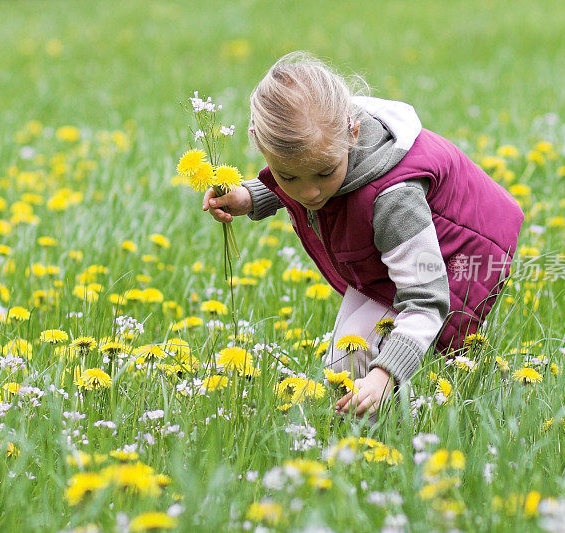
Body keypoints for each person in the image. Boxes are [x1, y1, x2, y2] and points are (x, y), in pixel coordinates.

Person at [202, 51, 524, 418]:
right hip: (397, 255)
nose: (308, 193)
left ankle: (389, 445)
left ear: (352, 132)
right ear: (259, 143)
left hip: (460, 255)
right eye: (288, 177)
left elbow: (426, 297)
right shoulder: (320, 147)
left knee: (362, 362)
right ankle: (371, 435)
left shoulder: (394, 198)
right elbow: (307, 179)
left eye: (324, 173)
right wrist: (250, 195)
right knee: (346, 359)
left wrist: (387, 374)